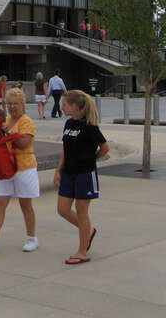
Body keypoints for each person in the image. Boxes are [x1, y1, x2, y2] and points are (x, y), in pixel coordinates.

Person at [0, 87, 40, 253]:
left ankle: (32, 238)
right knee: (0, 203)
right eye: (9, 103)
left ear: (22, 104)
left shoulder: (27, 122)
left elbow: (24, 143)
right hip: (6, 167)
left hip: (24, 167)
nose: (11, 107)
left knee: (25, 204)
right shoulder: (6, 120)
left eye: (15, 103)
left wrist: (8, 132)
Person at [54, 89, 109, 265]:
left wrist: (92, 159)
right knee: (62, 209)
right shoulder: (69, 124)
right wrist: (58, 170)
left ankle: (82, 251)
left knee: (81, 212)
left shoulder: (90, 126)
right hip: (68, 173)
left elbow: (105, 148)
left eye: (64, 104)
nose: (62, 107)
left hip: (85, 174)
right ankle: (88, 231)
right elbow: (65, 149)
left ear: (75, 106)